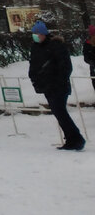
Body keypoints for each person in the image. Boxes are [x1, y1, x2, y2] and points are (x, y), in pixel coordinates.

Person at [28, 20, 85, 151]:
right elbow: (34, 65)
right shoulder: (35, 47)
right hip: (46, 86)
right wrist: (34, 79)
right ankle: (72, 139)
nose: (35, 36)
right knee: (58, 112)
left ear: (43, 34)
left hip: (58, 86)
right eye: (33, 33)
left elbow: (65, 67)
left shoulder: (56, 46)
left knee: (60, 112)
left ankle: (76, 139)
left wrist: (58, 81)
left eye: (37, 33)